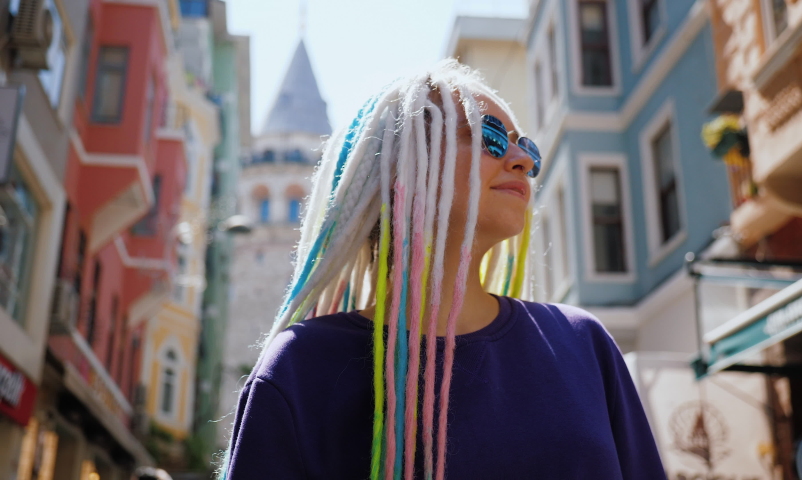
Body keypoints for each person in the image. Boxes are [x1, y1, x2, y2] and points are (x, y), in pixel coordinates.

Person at [224, 60, 666, 480]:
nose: (523, 161)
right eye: (489, 135)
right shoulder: (301, 369)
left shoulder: (581, 343)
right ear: (402, 167)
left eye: (525, 146)